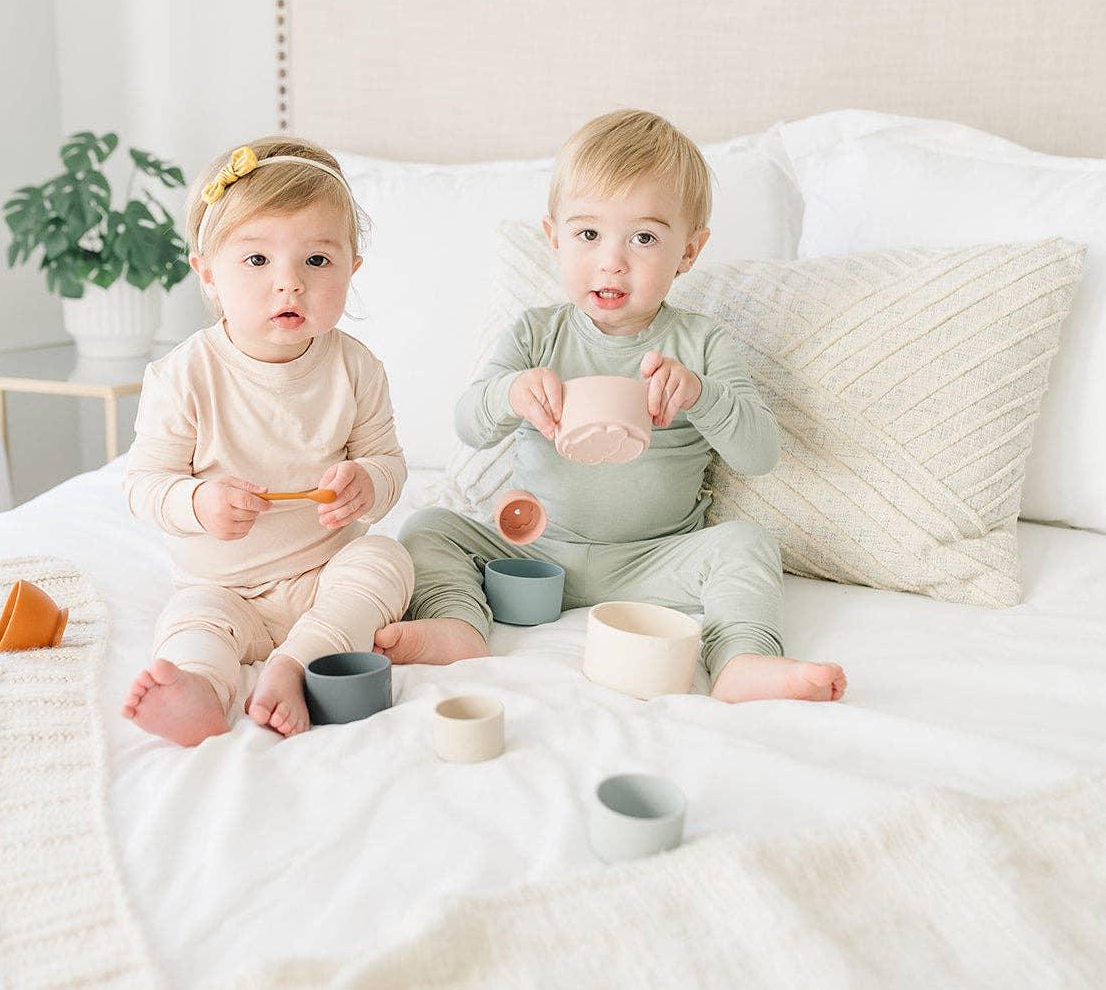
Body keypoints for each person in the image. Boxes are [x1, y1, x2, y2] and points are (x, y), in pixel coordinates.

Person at [387, 110, 846, 702]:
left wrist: (702, 396)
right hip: (531, 549)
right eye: (588, 235)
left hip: (652, 559)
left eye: (645, 238)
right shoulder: (535, 335)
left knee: (748, 544)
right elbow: (469, 426)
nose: (612, 261)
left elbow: (759, 454)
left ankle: (744, 660)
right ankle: (457, 624)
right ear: (553, 239)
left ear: (689, 251)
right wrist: (510, 394)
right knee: (428, 526)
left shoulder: (702, 345)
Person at [121, 136, 416, 746]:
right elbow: (144, 484)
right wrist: (197, 503)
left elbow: (387, 460)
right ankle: (202, 690)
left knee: (386, 559)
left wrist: (369, 485)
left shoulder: (356, 367)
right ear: (208, 273)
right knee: (190, 624)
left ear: (351, 268)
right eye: (257, 261)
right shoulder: (184, 375)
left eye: (317, 261)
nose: (290, 284)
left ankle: (296, 662)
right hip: (223, 587)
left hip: (322, 570)